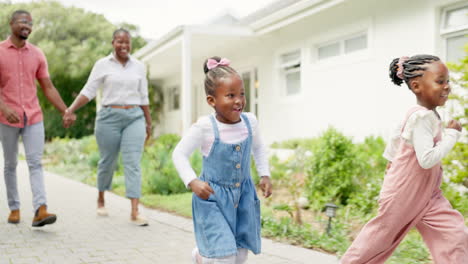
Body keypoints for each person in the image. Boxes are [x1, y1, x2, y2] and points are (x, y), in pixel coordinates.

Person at [340, 55, 468, 263]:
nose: (447, 87)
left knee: (454, 234)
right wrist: (452, 134)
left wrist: (391, 163)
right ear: (416, 86)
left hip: (428, 195)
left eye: (448, 81)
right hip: (404, 195)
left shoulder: (425, 115)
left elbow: (395, 140)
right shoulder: (420, 117)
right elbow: (426, 160)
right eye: (440, 81)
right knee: (377, 241)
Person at [172, 56, 273, 264]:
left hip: (243, 197)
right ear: (212, 101)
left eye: (241, 94)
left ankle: (201, 256)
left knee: (240, 253)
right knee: (224, 256)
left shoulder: (250, 122)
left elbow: (259, 148)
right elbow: (179, 154)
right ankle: (201, 256)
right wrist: (192, 181)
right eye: (230, 95)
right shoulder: (205, 127)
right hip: (213, 199)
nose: (239, 100)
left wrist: (265, 174)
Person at [66, 28, 152, 226]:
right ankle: (101, 198)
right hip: (108, 117)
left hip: (134, 116)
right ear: (113, 42)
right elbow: (89, 90)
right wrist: (71, 109)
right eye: (120, 41)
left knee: (133, 163)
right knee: (108, 161)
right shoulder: (102, 65)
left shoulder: (139, 66)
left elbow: (144, 96)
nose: (124, 45)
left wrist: (148, 122)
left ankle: (134, 211)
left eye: (127, 42)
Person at [0, 10, 76, 227]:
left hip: (33, 116)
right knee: (10, 164)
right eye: (24, 21)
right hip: (7, 118)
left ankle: (40, 209)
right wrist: (4, 108)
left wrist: (65, 110)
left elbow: (48, 87)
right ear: (11, 23)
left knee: (35, 163)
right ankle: (14, 208)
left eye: (31, 23)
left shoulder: (37, 54)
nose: (28, 26)